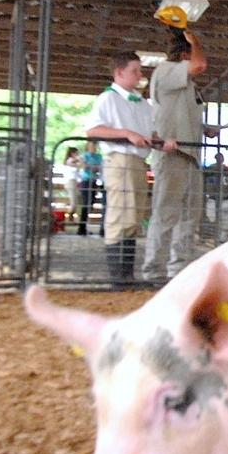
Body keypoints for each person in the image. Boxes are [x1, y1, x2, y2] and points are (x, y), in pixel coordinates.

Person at [85, 51, 174, 285]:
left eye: (139, 70)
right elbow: (93, 130)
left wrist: (161, 142)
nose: (139, 75)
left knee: (133, 216)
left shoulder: (142, 103)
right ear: (119, 72)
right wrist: (126, 134)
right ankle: (119, 276)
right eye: (134, 71)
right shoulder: (108, 98)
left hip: (138, 162)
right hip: (119, 159)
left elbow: (149, 134)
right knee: (120, 215)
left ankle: (126, 274)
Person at [141, 28, 210, 284]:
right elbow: (200, 65)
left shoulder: (188, 85)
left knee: (190, 215)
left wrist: (205, 128)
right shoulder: (166, 71)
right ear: (184, 55)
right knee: (166, 213)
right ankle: (154, 270)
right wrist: (195, 41)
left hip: (191, 153)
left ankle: (179, 269)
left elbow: (184, 115)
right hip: (173, 154)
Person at [77, 140, 104, 236]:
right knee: (86, 203)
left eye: (94, 146)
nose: (93, 148)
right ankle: (81, 227)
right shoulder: (84, 156)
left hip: (94, 181)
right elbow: (84, 166)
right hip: (85, 181)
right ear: (88, 147)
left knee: (91, 204)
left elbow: (99, 168)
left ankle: (85, 226)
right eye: (91, 146)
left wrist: (91, 167)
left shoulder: (99, 156)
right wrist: (93, 167)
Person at [62, 146, 82, 229]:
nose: (77, 154)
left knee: (77, 201)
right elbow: (77, 164)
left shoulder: (74, 162)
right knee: (73, 202)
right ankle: (68, 219)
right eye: (76, 153)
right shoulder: (69, 160)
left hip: (75, 182)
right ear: (72, 153)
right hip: (70, 182)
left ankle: (72, 219)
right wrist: (79, 160)